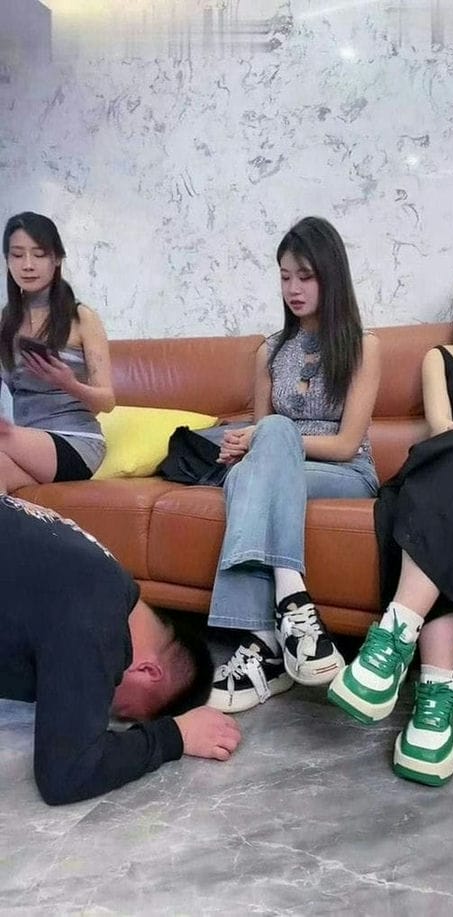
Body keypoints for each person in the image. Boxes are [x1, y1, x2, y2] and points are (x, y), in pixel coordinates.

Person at [328, 243, 453, 786]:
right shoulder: (440, 357)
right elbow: (442, 431)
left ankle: (393, 638)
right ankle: (438, 689)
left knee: (433, 491)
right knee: (426, 494)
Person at [207, 216, 381, 713]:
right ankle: (286, 619)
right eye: (285, 277)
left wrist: (268, 437)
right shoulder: (270, 350)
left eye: (305, 276)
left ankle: (264, 642)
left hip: (346, 473)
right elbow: (262, 436)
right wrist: (246, 444)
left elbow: (346, 445)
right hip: (278, 472)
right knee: (251, 465)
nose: (293, 289)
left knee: (274, 435)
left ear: (331, 275)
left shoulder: (364, 346)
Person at [0, 492, 241, 805]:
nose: (105, 707)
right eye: (122, 711)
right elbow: (68, 774)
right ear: (148, 671)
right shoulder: (97, 626)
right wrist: (175, 735)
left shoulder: (105, 573)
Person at [0, 211, 114, 491]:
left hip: (76, 442)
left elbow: (107, 401)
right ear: (7, 260)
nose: (28, 265)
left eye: (39, 255)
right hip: (27, 443)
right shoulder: (7, 321)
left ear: (57, 259)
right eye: (17, 255)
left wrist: (68, 383)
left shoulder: (82, 317)